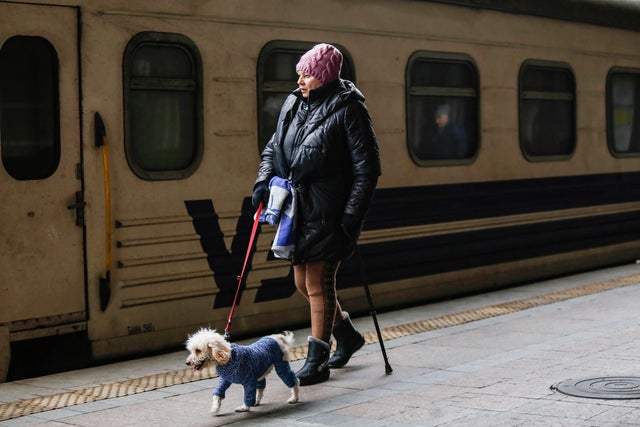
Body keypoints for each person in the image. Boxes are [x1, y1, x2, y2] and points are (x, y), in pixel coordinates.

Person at [252, 43, 381, 386]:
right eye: (300, 73)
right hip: (298, 211)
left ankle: (317, 360)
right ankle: (348, 336)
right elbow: (274, 146)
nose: (301, 80)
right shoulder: (294, 102)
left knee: (318, 283)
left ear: (324, 75)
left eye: (308, 74)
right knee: (301, 283)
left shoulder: (349, 110)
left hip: (331, 212)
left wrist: (350, 218)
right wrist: (263, 181)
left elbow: (366, 170)